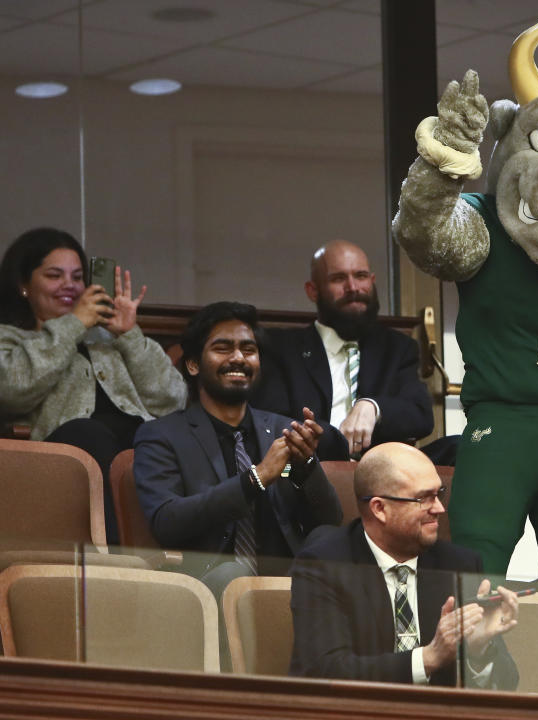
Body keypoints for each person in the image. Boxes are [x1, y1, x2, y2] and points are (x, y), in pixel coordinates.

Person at [133, 301, 343, 595]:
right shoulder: (162, 436)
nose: (238, 358)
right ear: (193, 364)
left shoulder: (283, 432)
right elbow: (167, 521)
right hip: (204, 585)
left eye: (248, 349)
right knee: (235, 572)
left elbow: (329, 521)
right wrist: (255, 479)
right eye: (222, 348)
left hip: (288, 583)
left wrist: (307, 467)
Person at [0, 227, 187, 544]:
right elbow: (12, 390)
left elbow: (173, 399)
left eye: (77, 277)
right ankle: (110, 558)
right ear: (24, 286)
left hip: (137, 446)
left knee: (168, 439)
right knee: (88, 432)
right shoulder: (11, 338)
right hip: (62, 457)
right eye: (55, 275)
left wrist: (129, 334)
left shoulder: (111, 338)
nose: (69, 286)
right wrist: (74, 323)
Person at [289, 442, 519, 689]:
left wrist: (477, 650)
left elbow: (507, 685)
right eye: (424, 498)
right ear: (380, 509)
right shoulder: (325, 565)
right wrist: (428, 658)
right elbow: (325, 671)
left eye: (439, 493)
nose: (440, 508)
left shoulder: (459, 564)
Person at [254, 240, 442, 462]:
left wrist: (373, 407)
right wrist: (336, 443)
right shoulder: (281, 347)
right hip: (310, 468)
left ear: (372, 281)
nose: (353, 288)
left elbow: (420, 414)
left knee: (457, 447)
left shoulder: (397, 348)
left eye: (361, 276)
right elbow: (273, 421)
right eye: (338, 278)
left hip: (384, 468)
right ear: (313, 291)